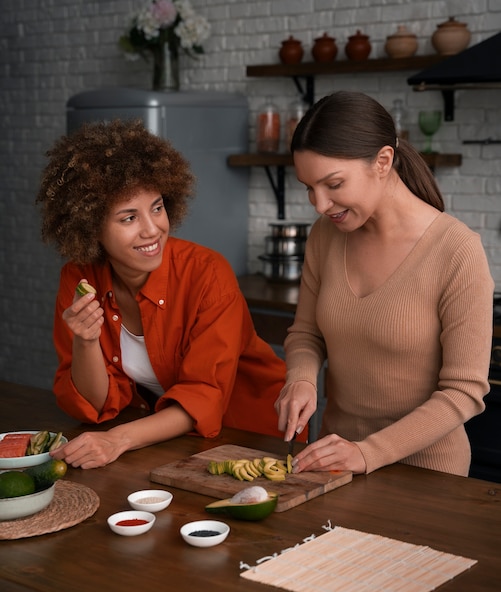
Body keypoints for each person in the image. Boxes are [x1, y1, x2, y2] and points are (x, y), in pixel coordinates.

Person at [36, 118, 288, 469]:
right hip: (167, 440)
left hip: (252, 434)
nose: (153, 229)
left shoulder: (207, 273)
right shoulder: (79, 279)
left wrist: (117, 439)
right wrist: (86, 342)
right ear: (90, 227)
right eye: (128, 218)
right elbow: (95, 404)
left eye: (157, 207)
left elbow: (203, 396)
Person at [275, 91, 494, 477]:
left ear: (382, 161)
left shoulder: (457, 250)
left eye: (333, 184)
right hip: (332, 465)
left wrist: (367, 453)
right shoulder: (325, 237)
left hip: (427, 476)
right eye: (309, 187)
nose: (320, 204)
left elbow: (464, 392)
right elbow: (306, 334)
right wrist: (302, 379)